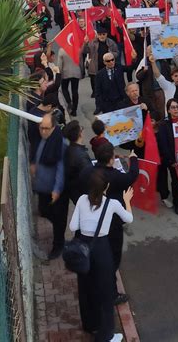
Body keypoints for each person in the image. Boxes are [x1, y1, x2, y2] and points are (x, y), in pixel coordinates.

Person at [70, 170, 133, 341]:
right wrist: (127, 201)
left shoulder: (82, 200)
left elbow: (72, 226)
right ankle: (106, 335)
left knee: (85, 289)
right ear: (107, 186)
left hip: (83, 248)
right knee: (105, 293)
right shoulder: (111, 204)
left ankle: (90, 325)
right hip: (102, 250)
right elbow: (129, 219)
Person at [79, 142, 138, 305]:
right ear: (112, 160)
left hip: (90, 223)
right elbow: (132, 176)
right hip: (111, 226)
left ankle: (100, 278)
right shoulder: (115, 178)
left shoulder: (87, 172)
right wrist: (134, 159)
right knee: (113, 256)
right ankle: (110, 291)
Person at [30, 112, 68, 259]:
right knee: (44, 210)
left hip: (55, 190)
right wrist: (34, 164)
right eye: (41, 128)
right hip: (42, 187)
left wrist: (57, 189)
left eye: (47, 128)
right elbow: (38, 153)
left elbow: (61, 169)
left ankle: (58, 246)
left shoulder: (60, 144)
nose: (43, 131)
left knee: (58, 219)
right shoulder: (42, 139)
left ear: (54, 127)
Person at [83, 27, 119, 98]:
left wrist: (111, 54)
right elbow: (85, 51)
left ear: (106, 34)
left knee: (107, 82)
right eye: (100, 34)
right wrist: (85, 43)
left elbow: (117, 52)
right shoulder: (92, 42)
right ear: (97, 35)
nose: (102, 36)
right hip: (95, 66)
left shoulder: (111, 42)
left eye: (103, 34)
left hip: (107, 66)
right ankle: (95, 92)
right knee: (94, 81)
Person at [63, 120, 92, 204]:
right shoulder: (80, 155)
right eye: (81, 129)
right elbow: (89, 177)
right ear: (80, 134)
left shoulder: (70, 148)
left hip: (74, 190)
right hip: (82, 194)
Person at [58, 45, 82, 117]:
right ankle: (75, 110)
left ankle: (69, 102)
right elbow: (80, 62)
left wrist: (59, 74)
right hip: (76, 71)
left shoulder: (62, 50)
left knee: (64, 88)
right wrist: (81, 71)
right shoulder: (77, 49)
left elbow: (60, 64)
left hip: (65, 73)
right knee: (75, 90)